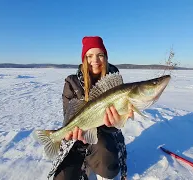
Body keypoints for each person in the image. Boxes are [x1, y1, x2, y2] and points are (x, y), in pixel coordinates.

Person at [47, 36, 133, 180]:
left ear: (105, 57)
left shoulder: (115, 80)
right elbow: (68, 115)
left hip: (104, 135)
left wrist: (114, 123)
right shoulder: (71, 82)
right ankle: (83, 162)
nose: (95, 60)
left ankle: (96, 163)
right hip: (77, 138)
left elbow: (116, 125)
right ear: (84, 58)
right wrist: (68, 132)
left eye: (100, 55)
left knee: (108, 167)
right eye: (89, 56)